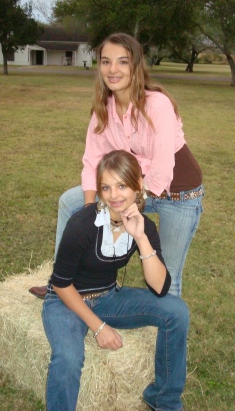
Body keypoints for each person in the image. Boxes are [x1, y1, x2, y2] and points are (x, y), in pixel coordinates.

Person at [30, 32, 203, 300]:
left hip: (178, 193)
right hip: (133, 186)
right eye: (105, 61)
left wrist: (126, 206)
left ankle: (168, 334)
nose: (113, 69)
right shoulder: (103, 109)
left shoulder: (158, 105)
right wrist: (89, 212)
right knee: (69, 202)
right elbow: (92, 162)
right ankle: (62, 282)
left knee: (169, 276)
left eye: (122, 62)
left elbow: (161, 170)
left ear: (136, 66)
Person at [42, 150, 189, 411]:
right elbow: (61, 283)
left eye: (122, 185)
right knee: (68, 357)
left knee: (176, 312)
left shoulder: (144, 227)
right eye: (106, 187)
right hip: (66, 301)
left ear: (138, 186)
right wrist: (98, 328)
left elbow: (160, 287)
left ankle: (163, 401)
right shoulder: (83, 224)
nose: (114, 196)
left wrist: (141, 238)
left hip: (108, 297)